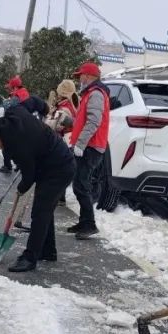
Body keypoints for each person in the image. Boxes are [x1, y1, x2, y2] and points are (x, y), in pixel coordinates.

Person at [0, 106, 75, 272]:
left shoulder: (17, 144)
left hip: (58, 168)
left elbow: (29, 175)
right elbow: (26, 104)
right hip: (53, 163)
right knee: (45, 210)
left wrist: (21, 188)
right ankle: (48, 251)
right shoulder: (12, 116)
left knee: (40, 212)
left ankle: (30, 258)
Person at [66, 62, 110, 240]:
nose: (79, 79)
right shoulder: (90, 94)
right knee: (79, 185)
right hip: (87, 146)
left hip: (90, 147)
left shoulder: (96, 94)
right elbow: (84, 120)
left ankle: (89, 224)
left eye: (81, 76)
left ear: (89, 76)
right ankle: (84, 222)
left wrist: (81, 144)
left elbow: (93, 121)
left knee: (81, 186)